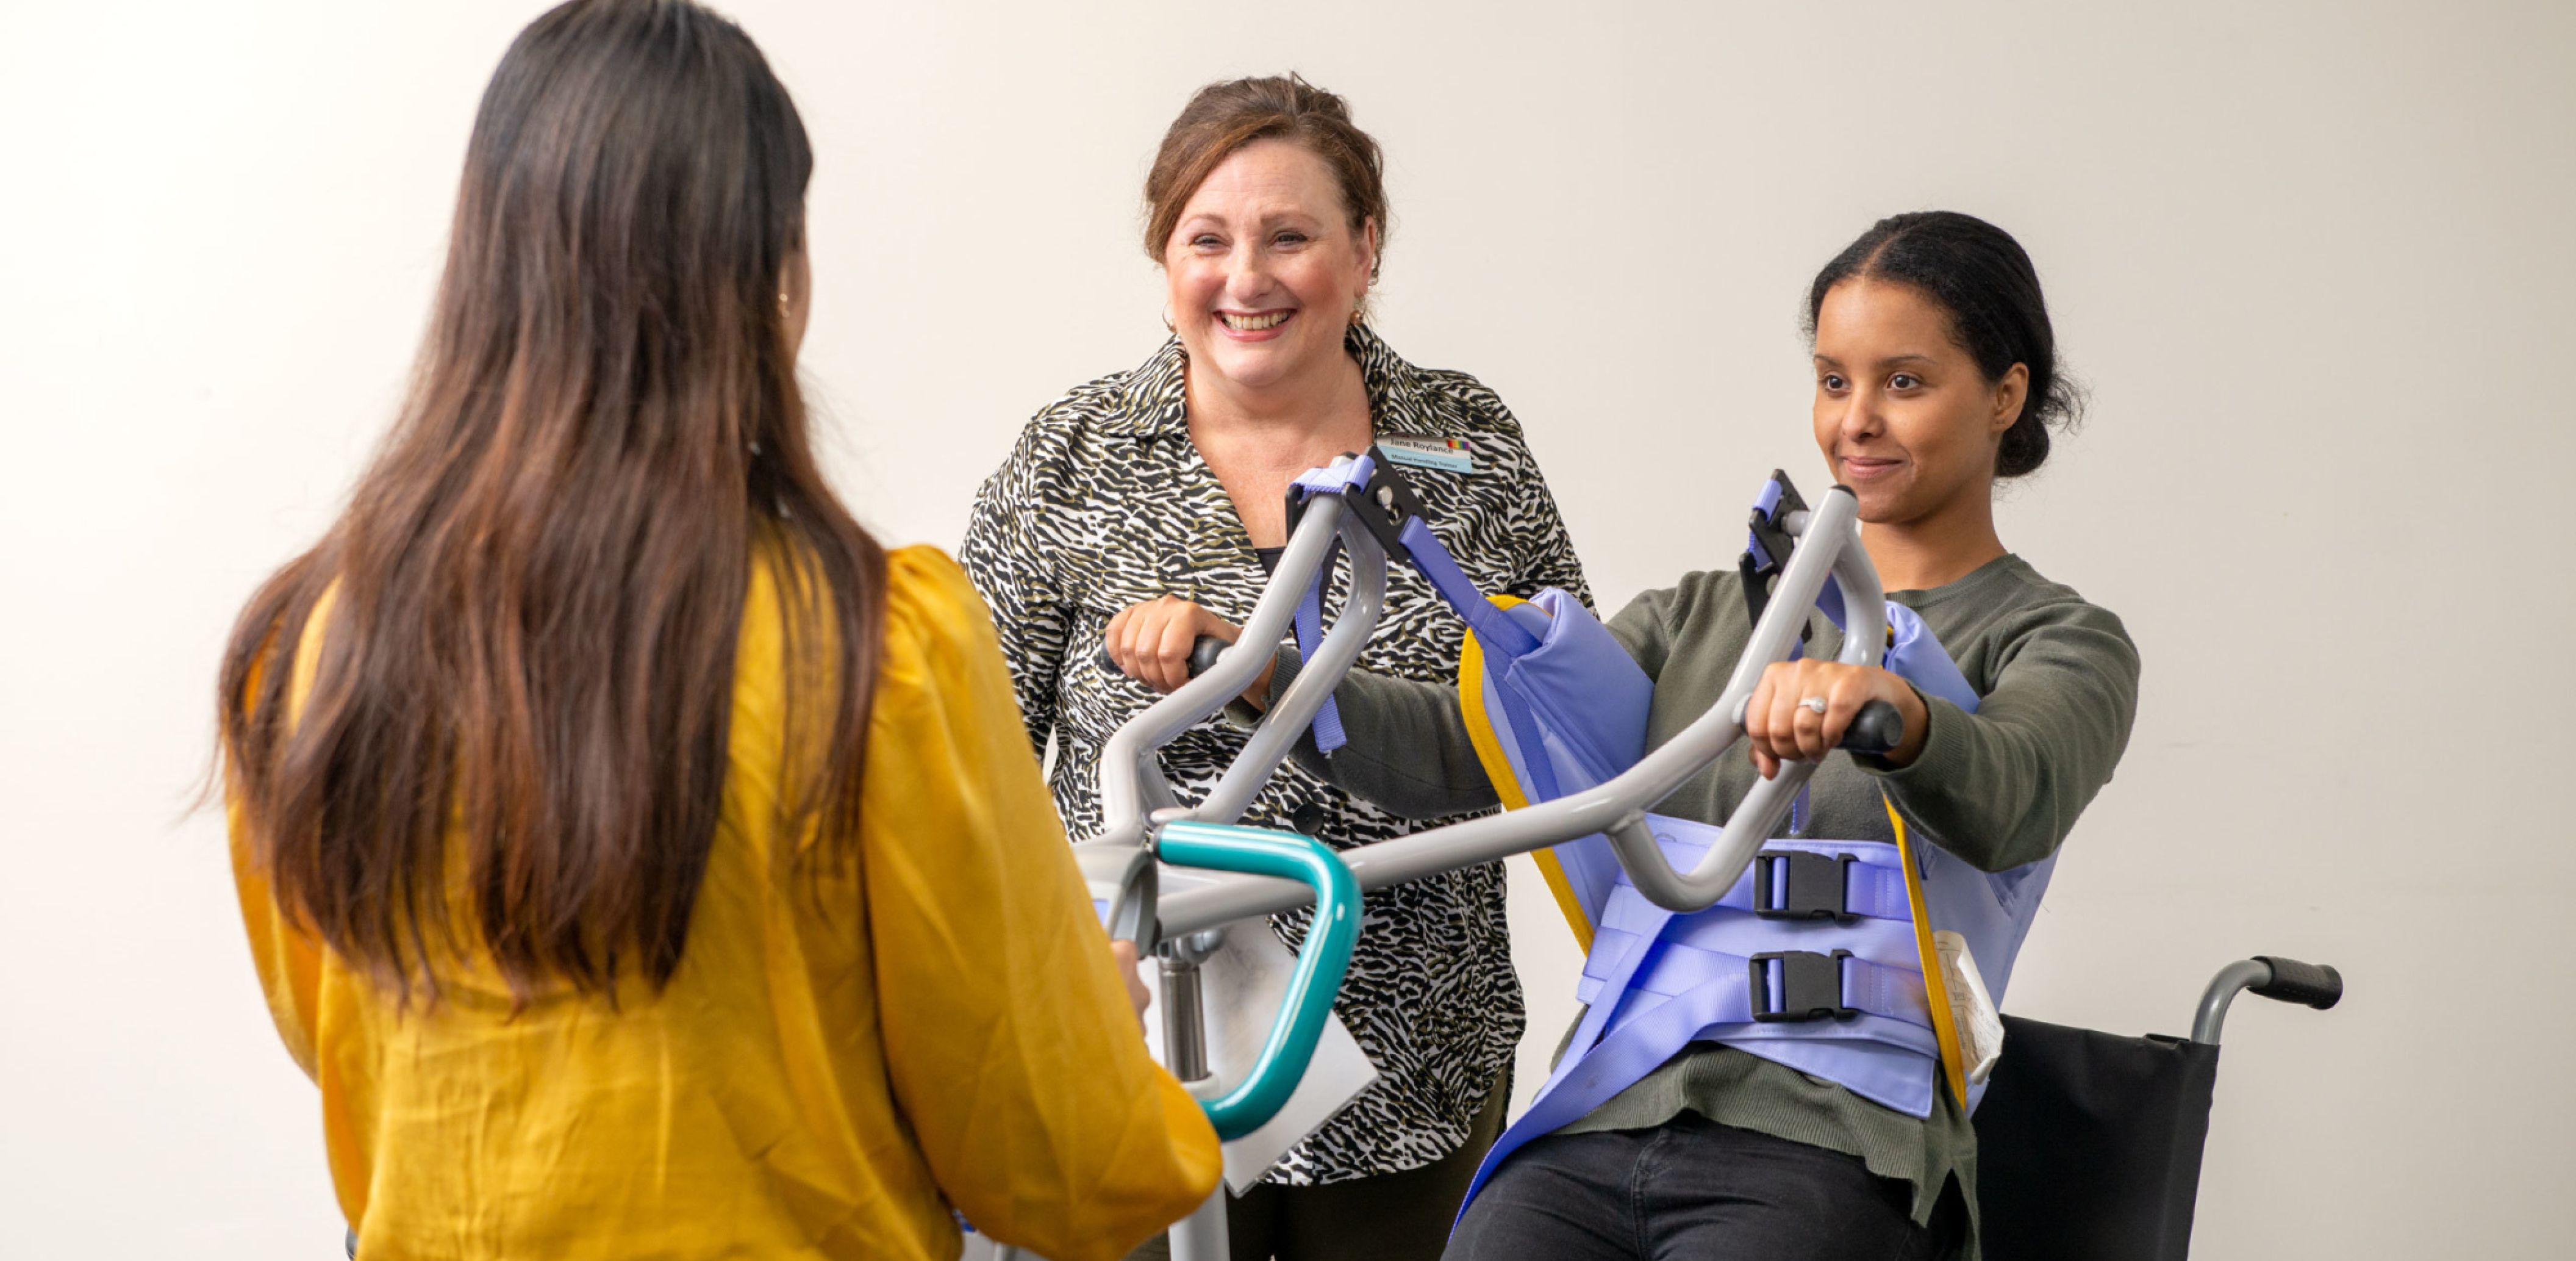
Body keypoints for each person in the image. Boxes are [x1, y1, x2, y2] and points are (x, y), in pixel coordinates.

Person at [213, 4, 1215, 1258]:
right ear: (768, 276)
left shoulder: (307, 648)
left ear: (488, 261)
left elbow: (338, 1043)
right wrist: (1098, 1030)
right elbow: (1057, 1167)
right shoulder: (877, 647)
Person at [1132, 211, 2141, 1260]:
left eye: (1905, 382)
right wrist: (1257, 675)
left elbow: (2022, 787)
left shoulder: (2060, 640)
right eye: (1835, 381)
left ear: (2005, 397)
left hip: (1839, 1141)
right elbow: (1455, 750)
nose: (1856, 423)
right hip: (1603, 1118)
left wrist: (1894, 711)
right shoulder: (1703, 617)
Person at [961, 74, 1588, 1261]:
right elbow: (965, 750)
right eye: (1208, 240)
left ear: (1364, 250)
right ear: (1165, 260)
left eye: (1289, 236)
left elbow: (1565, 716)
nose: (1245, 279)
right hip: (1137, 1062)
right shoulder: (1071, 456)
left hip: (1413, 1065)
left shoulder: (1464, 446)